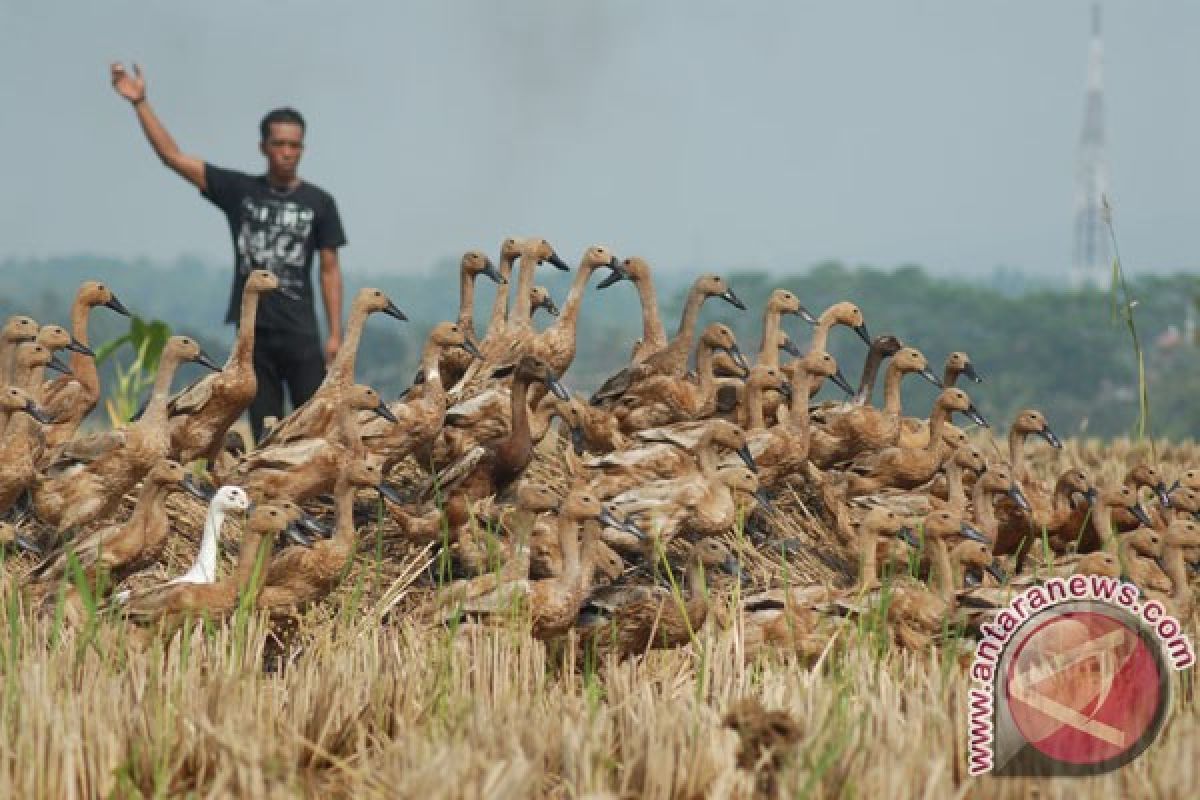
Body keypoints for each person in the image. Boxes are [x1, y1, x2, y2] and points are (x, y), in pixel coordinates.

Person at [110, 61, 346, 441]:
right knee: (265, 431)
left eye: (294, 145)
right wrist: (140, 103)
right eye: (279, 144)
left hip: (302, 333)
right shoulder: (240, 191)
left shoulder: (319, 202)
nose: (287, 152)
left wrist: (336, 333)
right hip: (254, 337)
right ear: (263, 147)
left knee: (314, 431)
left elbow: (330, 269)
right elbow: (173, 157)